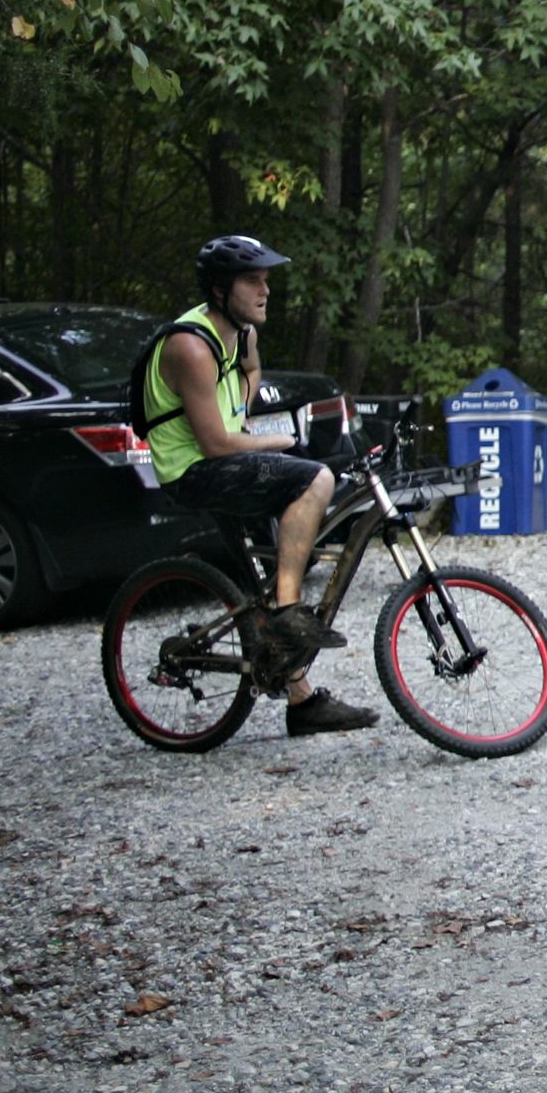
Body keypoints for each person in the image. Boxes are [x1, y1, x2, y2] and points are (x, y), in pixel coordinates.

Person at [144, 236, 376, 736]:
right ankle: (291, 610)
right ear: (220, 290)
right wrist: (273, 439)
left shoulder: (241, 333)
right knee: (315, 477)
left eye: (266, 280)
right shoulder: (190, 345)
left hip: (223, 460)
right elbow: (212, 445)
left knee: (259, 583)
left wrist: (242, 410)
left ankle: (302, 702)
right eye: (254, 281)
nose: (266, 290)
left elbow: (250, 370)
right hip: (194, 471)